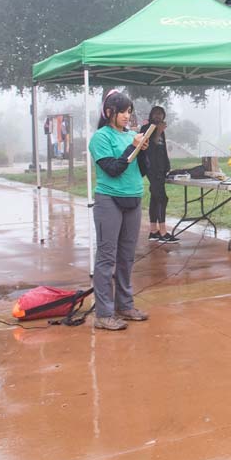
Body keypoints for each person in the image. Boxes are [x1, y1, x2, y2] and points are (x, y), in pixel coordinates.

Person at [89, 90, 150, 331]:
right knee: (107, 257)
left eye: (129, 112)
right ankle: (103, 314)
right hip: (109, 201)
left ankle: (124, 305)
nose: (127, 116)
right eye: (123, 112)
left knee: (126, 257)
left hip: (133, 199)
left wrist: (144, 151)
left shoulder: (132, 136)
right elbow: (113, 169)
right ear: (108, 113)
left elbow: (140, 170)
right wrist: (131, 149)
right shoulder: (100, 138)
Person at [137, 105, 176, 243]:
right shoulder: (145, 129)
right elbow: (148, 149)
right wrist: (158, 132)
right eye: (156, 114)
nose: (158, 116)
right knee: (162, 198)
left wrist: (167, 165)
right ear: (151, 115)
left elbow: (162, 149)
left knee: (155, 197)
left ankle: (154, 231)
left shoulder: (161, 131)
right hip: (150, 168)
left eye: (161, 114)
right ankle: (163, 232)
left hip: (161, 168)